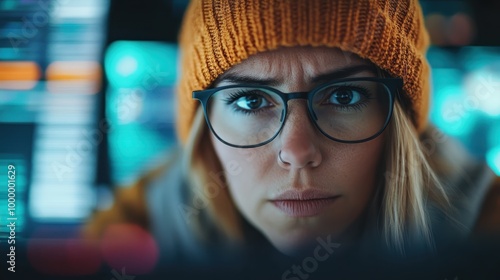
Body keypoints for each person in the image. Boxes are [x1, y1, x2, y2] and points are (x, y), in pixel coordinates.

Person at [84, 0, 500, 276]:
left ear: (400, 123)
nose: (297, 152)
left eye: (344, 96)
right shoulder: (124, 238)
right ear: (203, 130)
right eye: (249, 100)